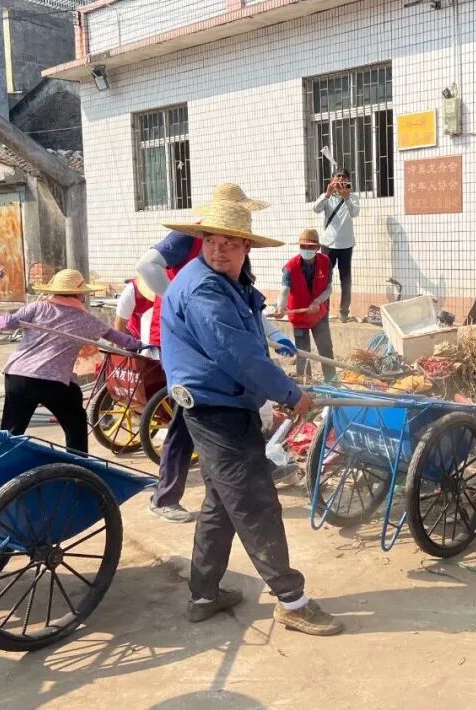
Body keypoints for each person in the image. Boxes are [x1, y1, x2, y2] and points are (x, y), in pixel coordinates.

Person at [160, 187, 343, 636]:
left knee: (221, 503)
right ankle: (292, 601)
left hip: (225, 403)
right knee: (256, 503)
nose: (218, 250)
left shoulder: (230, 282)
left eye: (229, 242)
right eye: (211, 241)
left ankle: (205, 594)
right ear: (201, 242)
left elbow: (249, 338)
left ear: (246, 246)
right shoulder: (204, 288)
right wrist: (289, 393)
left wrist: (275, 358)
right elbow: (237, 355)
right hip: (215, 410)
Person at [135, 184, 295, 524]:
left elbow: (242, 307)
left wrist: (273, 334)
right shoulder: (189, 239)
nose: (220, 247)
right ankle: (167, 496)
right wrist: (185, 305)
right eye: (214, 240)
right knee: (191, 414)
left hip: (215, 339)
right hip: (189, 341)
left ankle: (222, 488)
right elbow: (147, 266)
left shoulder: (235, 254)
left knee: (210, 416)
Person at [0, 269, 141, 454]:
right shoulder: (86, 319)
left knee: (12, 429)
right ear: (79, 294)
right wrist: (140, 345)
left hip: (17, 375)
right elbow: (118, 337)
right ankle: (78, 462)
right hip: (51, 380)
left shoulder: (37, 307)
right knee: (75, 423)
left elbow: (6, 322)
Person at [274, 228, 334, 381]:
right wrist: (280, 307)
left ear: (317, 248)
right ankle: (305, 382)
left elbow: (329, 289)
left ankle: (332, 380)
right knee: (302, 352)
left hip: (318, 313)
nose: (306, 250)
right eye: (303, 246)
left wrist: (317, 301)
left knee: (325, 348)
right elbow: (284, 290)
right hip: (299, 315)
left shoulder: (325, 262)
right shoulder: (290, 267)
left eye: (310, 247)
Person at [311, 169, 359, 322]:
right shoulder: (327, 197)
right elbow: (316, 209)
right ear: (332, 180)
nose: (340, 179)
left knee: (346, 280)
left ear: (348, 180)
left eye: (344, 177)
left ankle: (344, 313)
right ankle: (323, 312)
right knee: (324, 279)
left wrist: (346, 198)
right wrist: (327, 195)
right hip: (328, 244)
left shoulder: (353, 197)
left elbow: (354, 213)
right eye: (338, 176)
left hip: (346, 244)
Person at [113, 274, 155, 345]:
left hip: (158, 339)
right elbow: (119, 326)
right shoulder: (130, 291)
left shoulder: (168, 291)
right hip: (134, 337)